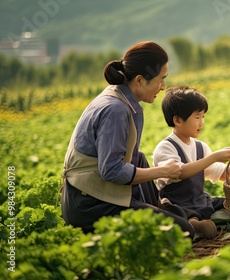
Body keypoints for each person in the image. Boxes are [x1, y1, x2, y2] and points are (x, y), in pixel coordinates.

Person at [61, 41, 213, 240]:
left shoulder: (124, 101)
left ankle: (163, 208)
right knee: (179, 232)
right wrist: (161, 171)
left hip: (104, 192)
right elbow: (112, 170)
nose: (163, 87)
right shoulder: (115, 110)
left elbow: (127, 161)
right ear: (140, 80)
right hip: (90, 203)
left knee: (138, 157)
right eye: (160, 79)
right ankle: (177, 216)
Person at [153, 85, 230, 221]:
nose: (202, 122)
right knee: (175, 212)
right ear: (178, 120)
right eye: (197, 117)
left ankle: (199, 221)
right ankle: (195, 223)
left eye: (203, 116)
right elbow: (179, 172)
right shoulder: (166, 147)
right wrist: (213, 157)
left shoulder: (200, 147)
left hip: (200, 202)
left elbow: (222, 175)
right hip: (177, 204)